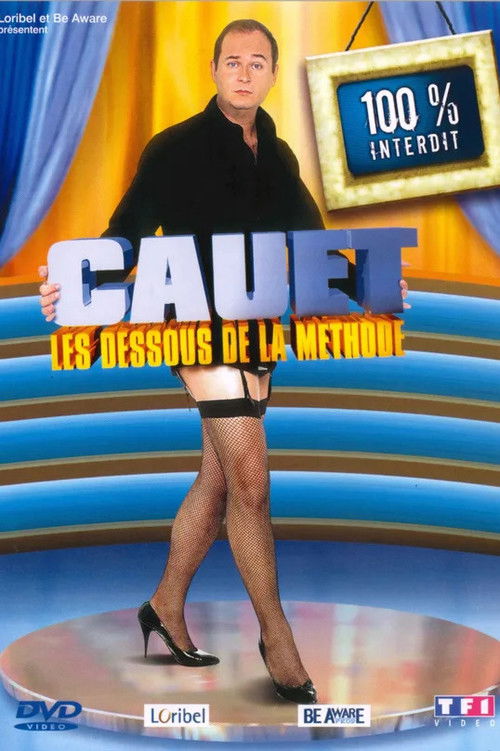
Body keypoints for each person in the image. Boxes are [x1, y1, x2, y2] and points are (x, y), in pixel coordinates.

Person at [40, 19, 409, 703]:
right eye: (232, 61)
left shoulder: (280, 155)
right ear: (214, 70)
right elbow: (125, 234)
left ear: (272, 74)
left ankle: (163, 605)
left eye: (257, 62)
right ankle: (277, 635)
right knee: (250, 479)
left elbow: (314, 245)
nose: (244, 72)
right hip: (192, 323)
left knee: (216, 483)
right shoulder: (173, 148)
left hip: (255, 327)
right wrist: (75, 283)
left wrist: (371, 287)